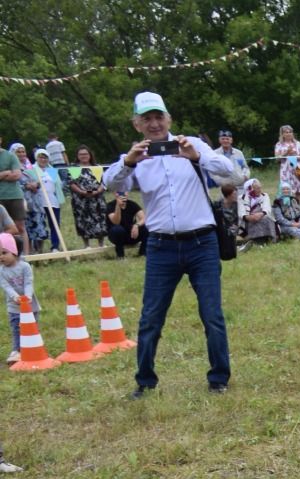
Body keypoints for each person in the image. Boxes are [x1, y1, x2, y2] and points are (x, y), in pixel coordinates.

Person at [101, 90, 236, 397]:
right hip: (161, 247)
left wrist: (197, 157)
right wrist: (128, 162)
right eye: (146, 119)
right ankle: (145, 382)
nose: (154, 124)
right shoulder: (138, 157)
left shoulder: (192, 144)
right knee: (150, 318)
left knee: (212, 314)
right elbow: (109, 183)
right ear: (137, 124)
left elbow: (229, 171)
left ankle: (219, 378)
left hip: (202, 243)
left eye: (158, 117)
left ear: (168, 119)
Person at [2, 231, 36, 365]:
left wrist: (27, 296)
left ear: (14, 251)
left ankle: (33, 347)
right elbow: (6, 286)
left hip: (30, 304)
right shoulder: (1, 271)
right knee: (17, 327)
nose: (1, 257)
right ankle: (17, 351)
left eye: (4, 253)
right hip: (14, 306)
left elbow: (29, 282)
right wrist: (16, 297)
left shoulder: (25, 266)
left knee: (32, 327)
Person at [20, 149, 61, 252]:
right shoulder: (30, 170)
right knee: (37, 224)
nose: (43, 159)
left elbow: (58, 186)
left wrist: (59, 199)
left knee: (55, 224)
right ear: (36, 158)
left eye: (45, 157)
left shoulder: (52, 171)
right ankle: (36, 248)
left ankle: (55, 246)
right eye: (40, 157)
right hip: (37, 202)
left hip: (52, 201)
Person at [67, 148, 109, 248]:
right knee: (82, 220)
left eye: (85, 154)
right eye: (81, 154)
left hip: (97, 198)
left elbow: (104, 182)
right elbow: (71, 183)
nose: (83, 156)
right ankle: (86, 245)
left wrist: (97, 191)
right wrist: (81, 192)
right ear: (77, 156)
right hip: (80, 199)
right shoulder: (74, 168)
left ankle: (101, 243)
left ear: (90, 155)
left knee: (100, 219)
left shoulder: (98, 167)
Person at [0, 140, 27, 255]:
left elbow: (17, 175)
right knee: (4, 229)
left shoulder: (10, 155)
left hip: (14, 195)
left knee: (19, 227)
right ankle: (5, 253)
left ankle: (25, 256)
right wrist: (4, 173)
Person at [106, 193, 147, 257]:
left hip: (131, 234)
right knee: (118, 229)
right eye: (119, 193)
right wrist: (118, 206)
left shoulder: (132, 204)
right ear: (115, 194)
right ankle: (120, 256)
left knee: (146, 227)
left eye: (124, 192)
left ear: (127, 193)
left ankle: (142, 253)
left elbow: (144, 218)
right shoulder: (110, 205)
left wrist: (137, 225)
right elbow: (116, 222)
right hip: (116, 236)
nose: (122, 195)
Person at [239, 179, 275, 245]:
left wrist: (261, 214)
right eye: (257, 188)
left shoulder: (264, 195)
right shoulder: (241, 198)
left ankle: (267, 239)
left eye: (260, 188)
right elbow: (241, 213)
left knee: (266, 218)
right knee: (253, 222)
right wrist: (250, 217)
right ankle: (256, 241)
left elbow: (267, 208)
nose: (260, 190)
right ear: (251, 188)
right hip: (248, 219)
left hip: (261, 216)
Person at [274, 125, 300, 191]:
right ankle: (288, 201)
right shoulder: (279, 144)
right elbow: (277, 159)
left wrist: (294, 156)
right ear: (282, 134)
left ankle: (299, 202)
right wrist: (286, 152)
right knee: (286, 191)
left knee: (298, 191)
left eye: (290, 132)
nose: (288, 134)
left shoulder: (298, 143)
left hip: (297, 170)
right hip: (285, 172)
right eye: (286, 132)